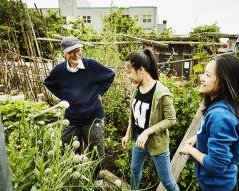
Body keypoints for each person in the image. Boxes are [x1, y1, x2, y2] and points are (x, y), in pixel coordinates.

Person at [179, 54, 239, 191]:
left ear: (225, 82)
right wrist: (198, 137)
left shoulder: (219, 115)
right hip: (225, 183)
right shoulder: (233, 106)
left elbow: (216, 166)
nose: (201, 78)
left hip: (215, 186)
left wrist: (191, 150)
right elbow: (234, 134)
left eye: (208, 75)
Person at [43, 36, 115, 168]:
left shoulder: (91, 65)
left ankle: (97, 178)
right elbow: (48, 83)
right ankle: (73, 175)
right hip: (71, 118)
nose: (76, 54)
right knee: (68, 150)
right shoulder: (59, 70)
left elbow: (110, 75)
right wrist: (64, 96)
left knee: (96, 150)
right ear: (64, 54)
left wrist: (100, 93)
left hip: (93, 118)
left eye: (78, 50)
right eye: (71, 52)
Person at [121, 48, 180, 191]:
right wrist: (128, 133)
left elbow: (171, 119)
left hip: (156, 142)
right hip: (138, 140)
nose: (127, 76)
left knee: (167, 181)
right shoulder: (136, 88)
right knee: (135, 171)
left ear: (140, 69)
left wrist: (147, 132)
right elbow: (134, 115)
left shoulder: (162, 92)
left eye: (129, 72)